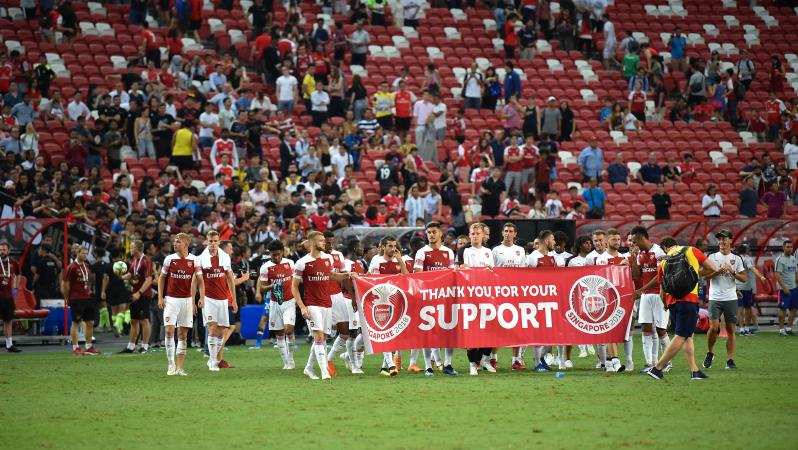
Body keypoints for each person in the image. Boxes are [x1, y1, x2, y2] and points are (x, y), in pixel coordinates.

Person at [647, 237, 717, 381]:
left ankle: (694, 371)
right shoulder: (691, 250)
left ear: (665, 248)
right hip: (689, 300)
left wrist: (665, 304)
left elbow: (662, 291)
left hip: (672, 302)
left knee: (688, 335)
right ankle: (657, 368)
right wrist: (697, 272)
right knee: (681, 335)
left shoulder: (664, 262)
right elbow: (712, 268)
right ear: (676, 244)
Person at [292, 232, 357, 380]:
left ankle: (309, 368)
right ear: (312, 243)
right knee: (319, 337)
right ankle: (324, 372)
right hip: (312, 303)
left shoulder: (328, 258)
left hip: (327, 303)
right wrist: (302, 306)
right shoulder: (302, 262)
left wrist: (348, 274)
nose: (324, 243)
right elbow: (294, 286)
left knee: (322, 338)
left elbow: (332, 276)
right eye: (321, 241)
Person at [412, 221, 456, 376]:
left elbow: (452, 275)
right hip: (428, 298)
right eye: (429, 232)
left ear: (440, 233)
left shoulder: (449, 252)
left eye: (434, 232)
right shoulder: (422, 252)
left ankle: (448, 365)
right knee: (428, 332)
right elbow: (417, 275)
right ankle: (428, 367)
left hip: (445, 297)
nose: (431, 235)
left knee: (449, 332)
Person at [158, 233, 205, 376]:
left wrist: (201, 298)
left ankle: (180, 368)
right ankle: (171, 364)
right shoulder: (169, 259)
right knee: (169, 331)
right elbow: (161, 278)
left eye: (178, 242)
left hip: (186, 300)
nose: (175, 244)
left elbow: (200, 281)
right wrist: (160, 297)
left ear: (186, 244)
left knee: (182, 334)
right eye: (174, 241)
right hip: (171, 299)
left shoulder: (194, 260)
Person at [703, 229, 746, 371]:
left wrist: (732, 272)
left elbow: (744, 278)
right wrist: (717, 271)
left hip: (731, 298)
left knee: (731, 329)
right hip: (715, 297)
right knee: (713, 327)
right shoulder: (712, 257)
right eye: (719, 239)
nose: (721, 241)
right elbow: (704, 276)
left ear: (730, 241)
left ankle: (730, 360)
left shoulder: (737, 258)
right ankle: (710, 352)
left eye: (724, 238)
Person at [628, 226, 669, 372]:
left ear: (641, 238)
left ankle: (667, 362)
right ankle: (650, 363)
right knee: (646, 326)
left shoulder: (658, 252)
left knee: (661, 329)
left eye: (634, 241)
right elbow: (637, 275)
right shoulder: (640, 254)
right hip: (645, 295)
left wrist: (641, 289)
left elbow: (660, 276)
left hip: (659, 293)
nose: (633, 244)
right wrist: (634, 258)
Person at [367, 236, 408, 376]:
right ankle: (390, 365)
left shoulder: (398, 260)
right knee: (385, 332)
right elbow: (375, 281)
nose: (393, 249)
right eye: (390, 246)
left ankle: (384, 368)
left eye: (394, 246)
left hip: (395, 300)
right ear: (383, 247)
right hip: (381, 301)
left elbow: (407, 276)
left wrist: (400, 260)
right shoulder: (377, 260)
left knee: (393, 334)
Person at [459, 223, 494, 376]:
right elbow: (465, 271)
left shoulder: (488, 252)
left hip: (486, 296)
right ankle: (473, 364)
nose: (475, 236)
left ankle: (485, 360)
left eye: (477, 234)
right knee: (472, 331)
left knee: (490, 329)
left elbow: (492, 272)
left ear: (482, 235)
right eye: (472, 234)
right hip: (470, 297)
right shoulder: (466, 251)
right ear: (469, 236)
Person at [526, 230, 564, 371]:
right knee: (538, 331)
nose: (555, 242)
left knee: (550, 332)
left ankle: (541, 358)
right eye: (553, 239)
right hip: (536, 300)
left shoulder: (555, 258)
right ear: (547, 241)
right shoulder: (532, 258)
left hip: (552, 300)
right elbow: (524, 278)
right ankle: (537, 363)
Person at [199, 230, 236, 372]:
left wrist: (234, 300)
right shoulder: (201, 259)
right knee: (212, 328)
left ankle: (212, 359)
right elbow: (197, 280)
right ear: (207, 242)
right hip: (208, 298)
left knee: (222, 331)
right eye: (211, 241)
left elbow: (230, 279)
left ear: (219, 242)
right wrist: (200, 297)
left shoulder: (225, 257)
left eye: (215, 241)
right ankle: (214, 361)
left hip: (223, 299)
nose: (213, 244)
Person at [256, 240, 296, 369]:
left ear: (282, 252)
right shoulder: (265, 267)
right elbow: (262, 288)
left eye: (278, 254)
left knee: (289, 330)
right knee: (279, 334)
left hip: (289, 301)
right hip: (275, 303)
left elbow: (295, 281)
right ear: (270, 254)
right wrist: (271, 286)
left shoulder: (290, 263)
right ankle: (286, 362)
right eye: (274, 255)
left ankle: (291, 357)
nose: (277, 257)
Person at [323, 231, 359, 375]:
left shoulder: (338, 255)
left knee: (345, 332)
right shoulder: (316, 257)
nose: (330, 244)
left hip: (337, 296)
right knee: (322, 334)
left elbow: (345, 277)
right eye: (327, 241)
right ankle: (315, 365)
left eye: (331, 241)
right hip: (321, 297)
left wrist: (352, 297)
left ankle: (329, 359)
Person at [63, 247, 99, 356]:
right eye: (83, 253)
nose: (85, 255)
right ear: (77, 253)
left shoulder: (86, 265)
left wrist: (89, 290)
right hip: (76, 299)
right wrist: (67, 298)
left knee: (90, 322)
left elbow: (88, 280)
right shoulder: (71, 267)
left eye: (86, 254)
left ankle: (89, 346)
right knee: (76, 322)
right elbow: (65, 284)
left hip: (87, 298)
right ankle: (75, 347)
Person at [120, 241, 153, 354]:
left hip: (143, 294)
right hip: (134, 294)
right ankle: (131, 346)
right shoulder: (135, 260)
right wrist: (120, 276)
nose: (130, 249)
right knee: (134, 320)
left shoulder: (146, 260)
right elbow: (130, 274)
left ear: (137, 249)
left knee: (144, 320)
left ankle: (145, 346)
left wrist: (139, 293)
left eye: (132, 247)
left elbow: (149, 280)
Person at [736, 244, 766, 336]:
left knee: (740, 308)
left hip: (737, 287)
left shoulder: (734, 259)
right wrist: (761, 276)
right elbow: (752, 269)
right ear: (746, 251)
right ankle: (746, 328)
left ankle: (741, 329)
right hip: (746, 287)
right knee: (748, 307)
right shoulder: (747, 259)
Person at [0, 242, 21, 352]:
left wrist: (16, 288)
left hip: (8, 297)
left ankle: (9, 345)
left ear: (8, 251)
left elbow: (18, 274)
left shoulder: (13, 262)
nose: (1, 252)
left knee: (8, 321)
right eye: (0, 250)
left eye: (4, 250)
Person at [775, 240, 797, 336]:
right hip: (783, 289)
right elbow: (777, 275)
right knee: (782, 309)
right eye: (787, 247)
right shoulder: (780, 259)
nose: (790, 249)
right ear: (783, 248)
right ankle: (781, 329)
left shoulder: (793, 259)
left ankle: (788, 328)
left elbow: (796, 272)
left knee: (794, 308)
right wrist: (784, 288)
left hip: (794, 288)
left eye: (791, 247)